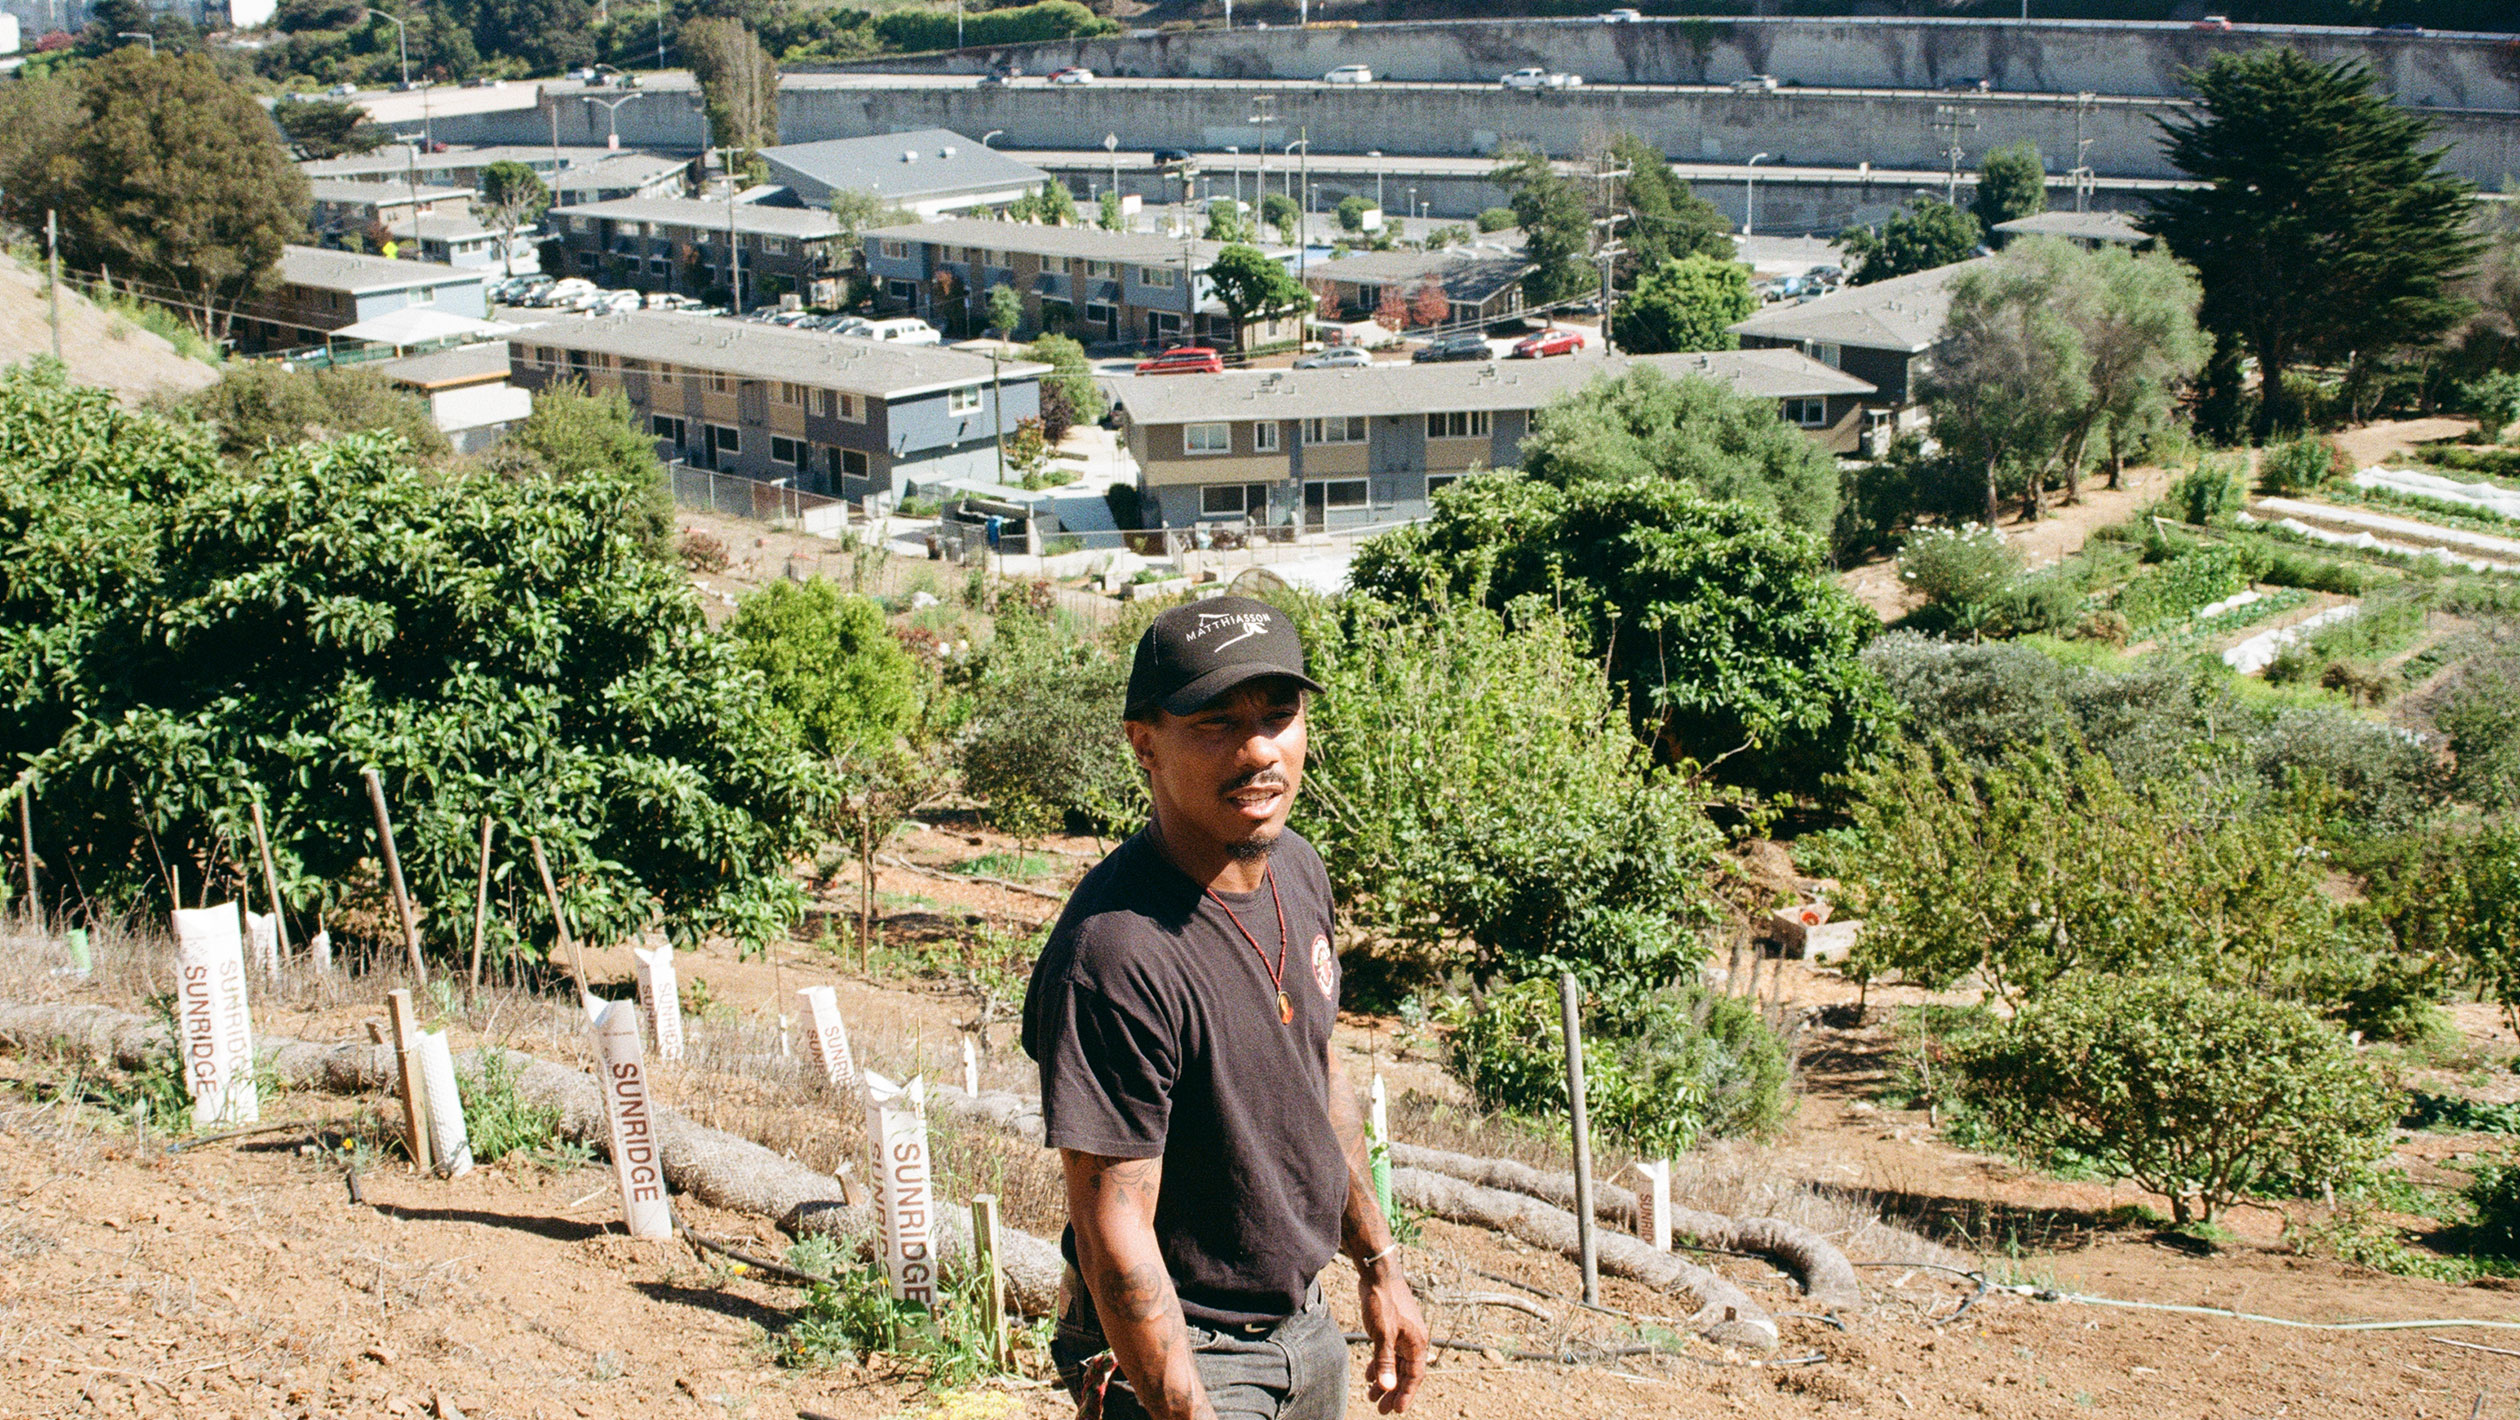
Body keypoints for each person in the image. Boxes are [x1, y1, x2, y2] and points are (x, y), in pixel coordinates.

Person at [1023, 596, 1428, 1420]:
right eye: (1215, 724)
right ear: (1145, 744)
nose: (1258, 751)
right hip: (1181, 1353)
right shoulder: (1116, 954)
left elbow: (1315, 1073)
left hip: (1302, 1328)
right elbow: (1114, 1232)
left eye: (1279, 716)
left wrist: (1379, 1261)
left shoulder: (1298, 871)